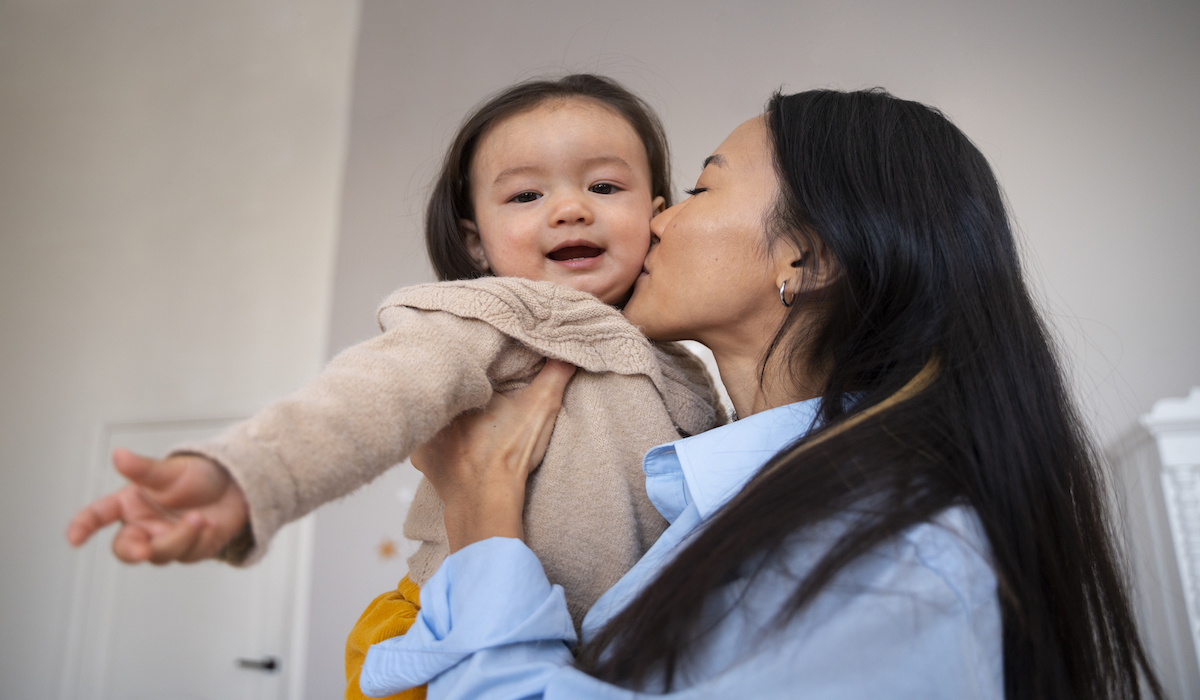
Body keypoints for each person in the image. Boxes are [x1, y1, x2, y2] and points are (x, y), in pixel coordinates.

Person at [358, 89, 1163, 699]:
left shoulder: (895, 556)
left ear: (806, 261)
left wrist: (484, 522)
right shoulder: (730, 503)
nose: (659, 220)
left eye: (700, 191)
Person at [64, 75, 727, 700]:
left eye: (606, 186)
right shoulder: (491, 322)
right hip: (458, 642)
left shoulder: (690, 371)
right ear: (476, 243)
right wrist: (247, 477)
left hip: (614, 665)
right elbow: (370, 397)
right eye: (526, 195)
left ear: (658, 216)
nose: (571, 209)